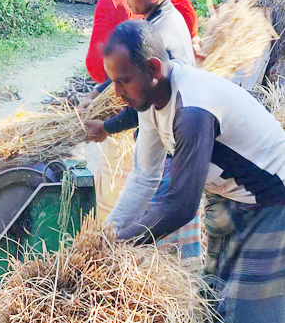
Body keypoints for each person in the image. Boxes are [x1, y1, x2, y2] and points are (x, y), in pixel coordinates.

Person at [102, 19, 285, 323]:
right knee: (214, 295)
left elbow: (180, 207)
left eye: (123, 80)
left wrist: (120, 244)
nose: (117, 93)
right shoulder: (149, 101)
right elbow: (145, 176)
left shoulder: (192, 110)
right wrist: (107, 235)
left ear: (154, 69)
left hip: (271, 200)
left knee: (248, 311)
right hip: (229, 196)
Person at [84, 0, 202, 266]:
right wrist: (107, 236)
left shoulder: (160, 36)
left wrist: (107, 127)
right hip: (173, 148)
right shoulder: (162, 20)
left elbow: (142, 105)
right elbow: (143, 171)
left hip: (184, 156)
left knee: (174, 258)